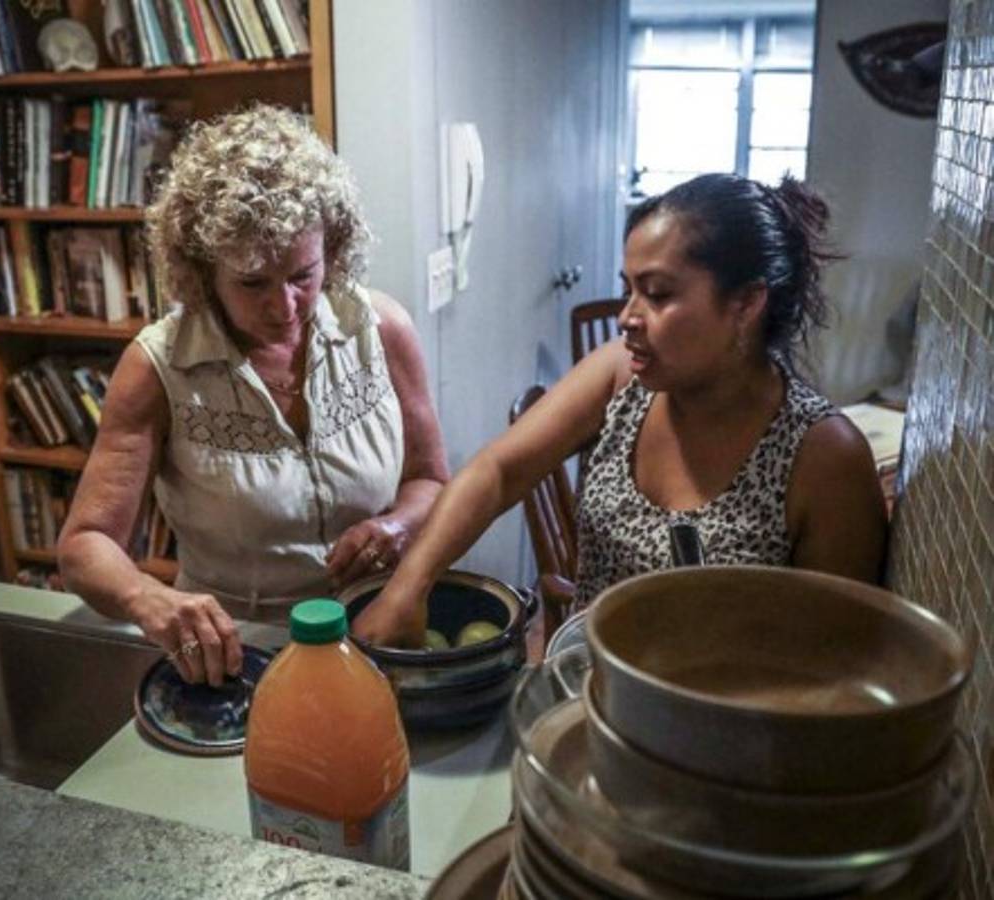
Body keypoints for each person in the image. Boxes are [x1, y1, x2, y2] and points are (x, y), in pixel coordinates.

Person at [354, 173, 888, 647]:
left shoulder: (822, 456)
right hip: (587, 701)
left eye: (657, 295)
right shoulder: (620, 378)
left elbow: (834, 658)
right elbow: (499, 471)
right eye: (628, 290)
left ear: (746, 303)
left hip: (726, 742)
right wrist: (409, 585)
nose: (628, 317)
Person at [57, 105, 448, 683]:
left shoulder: (382, 331)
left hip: (378, 626)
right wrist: (148, 597)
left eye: (302, 276)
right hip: (238, 652)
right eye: (251, 283)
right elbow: (84, 545)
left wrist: (398, 526)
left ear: (332, 248)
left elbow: (431, 480)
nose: (283, 307)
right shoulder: (158, 366)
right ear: (202, 268)